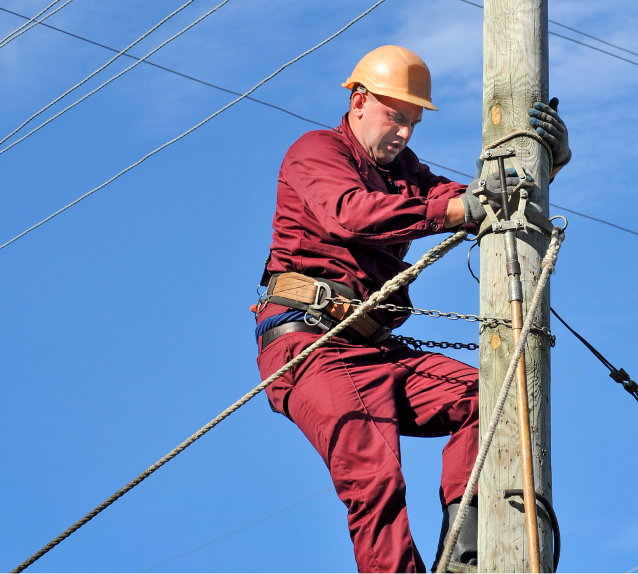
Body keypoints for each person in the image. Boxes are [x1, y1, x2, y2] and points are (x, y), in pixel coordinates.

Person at [254, 45, 570, 573]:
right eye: (394, 117)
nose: (403, 132)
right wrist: (455, 208)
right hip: (312, 345)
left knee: (484, 398)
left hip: (375, 349)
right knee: (374, 477)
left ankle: (465, 558)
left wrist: (546, 162)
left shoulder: (405, 172)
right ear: (358, 101)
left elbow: (477, 199)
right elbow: (349, 216)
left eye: (412, 122)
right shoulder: (316, 151)